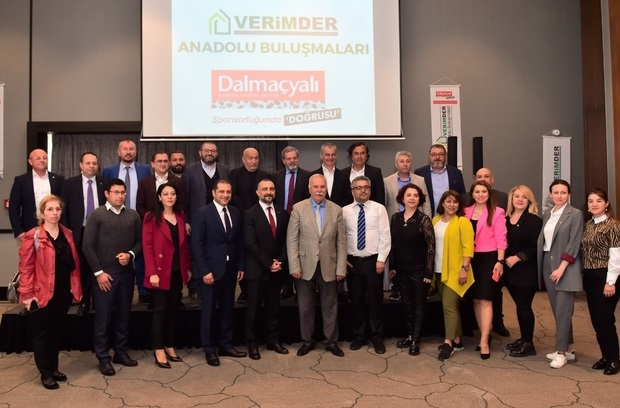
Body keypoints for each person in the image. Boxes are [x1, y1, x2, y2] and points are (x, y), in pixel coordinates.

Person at [18, 195, 82, 390]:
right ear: (42, 213)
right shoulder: (33, 236)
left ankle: (53, 368)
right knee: (42, 334)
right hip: (40, 293)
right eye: (50, 209)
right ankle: (45, 373)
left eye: (57, 209)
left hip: (62, 293)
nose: (55, 213)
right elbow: (26, 268)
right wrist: (27, 294)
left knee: (56, 332)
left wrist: (76, 288)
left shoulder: (67, 233)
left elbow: (74, 265)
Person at [82, 179, 142, 376]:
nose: (120, 196)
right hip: (104, 276)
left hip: (126, 275)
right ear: (107, 194)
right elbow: (87, 246)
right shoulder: (97, 215)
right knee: (103, 318)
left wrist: (130, 255)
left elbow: (140, 242)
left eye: (123, 192)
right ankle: (103, 357)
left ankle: (120, 352)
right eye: (116, 192)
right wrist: (99, 273)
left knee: (124, 315)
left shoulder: (133, 215)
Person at [287, 174, 347, 357]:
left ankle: (331, 342)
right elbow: (292, 239)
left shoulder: (336, 210)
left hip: (329, 266)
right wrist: (294, 266)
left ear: (326, 188)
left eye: (322, 187)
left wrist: (341, 268)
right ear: (309, 189)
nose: (319, 190)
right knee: (306, 308)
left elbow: (341, 242)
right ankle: (307, 341)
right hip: (304, 266)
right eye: (316, 187)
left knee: (330, 307)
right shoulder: (298, 208)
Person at [191, 179, 247, 367]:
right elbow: (197, 245)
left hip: (230, 271)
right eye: (221, 191)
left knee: (227, 310)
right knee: (208, 312)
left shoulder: (236, 212)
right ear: (213, 193)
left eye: (228, 192)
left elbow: (238, 242)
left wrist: (240, 265)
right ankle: (209, 349)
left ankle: (225, 344)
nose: (225, 195)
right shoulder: (202, 213)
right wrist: (204, 270)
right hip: (210, 272)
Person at [143, 183, 190, 369]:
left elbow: (184, 246)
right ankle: (158, 349)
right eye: (165, 194)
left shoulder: (180, 215)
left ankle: (169, 345)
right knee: (160, 310)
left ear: (176, 197)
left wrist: (187, 267)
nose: (169, 197)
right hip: (160, 271)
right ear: (159, 197)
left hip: (177, 270)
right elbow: (147, 246)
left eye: (172, 194)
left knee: (172, 310)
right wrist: (152, 272)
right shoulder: (151, 217)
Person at [537, 179, 583, 369]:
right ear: (550, 194)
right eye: (556, 192)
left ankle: (561, 352)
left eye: (563, 192)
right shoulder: (547, 214)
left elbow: (574, 243)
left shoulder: (575, 214)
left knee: (564, 310)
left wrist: (561, 268)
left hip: (565, 267)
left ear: (569, 194)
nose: (559, 195)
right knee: (558, 310)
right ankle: (569, 349)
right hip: (549, 264)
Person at [343, 176, 391, 354]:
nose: (362, 190)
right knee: (356, 300)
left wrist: (381, 259)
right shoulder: (344, 211)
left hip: (373, 262)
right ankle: (359, 336)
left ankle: (377, 337)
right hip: (352, 263)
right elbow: (341, 237)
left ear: (370, 190)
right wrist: (342, 259)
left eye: (366, 187)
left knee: (375, 301)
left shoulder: (379, 209)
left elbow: (385, 235)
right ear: (352, 191)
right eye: (358, 188)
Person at [243, 179, 289, 359]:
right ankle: (252, 344)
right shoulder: (249, 214)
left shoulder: (282, 213)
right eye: (264, 189)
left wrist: (280, 261)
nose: (268, 192)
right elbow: (250, 243)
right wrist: (268, 263)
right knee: (253, 310)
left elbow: (287, 240)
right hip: (256, 270)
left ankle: (273, 340)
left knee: (273, 308)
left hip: (277, 269)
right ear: (257, 192)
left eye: (271, 189)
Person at [462, 167, 509, 336]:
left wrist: (500, 261)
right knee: (475, 299)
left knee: (486, 299)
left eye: (484, 191)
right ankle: (484, 334)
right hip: (470, 260)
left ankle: (484, 341)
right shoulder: (465, 212)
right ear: (472, 194)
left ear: (489, 193)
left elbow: (501, 239)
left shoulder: (497, 212)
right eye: (477, 192)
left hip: (489, 260)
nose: (480, 194)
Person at [184, 142, 231, 308]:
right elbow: (185, 198)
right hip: (197, 219)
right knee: (196, 252)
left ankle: (218, 288)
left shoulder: (225, 170)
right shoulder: (190, 171)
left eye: (213, 151)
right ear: (200, 153)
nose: (209, 153)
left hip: (218, 220)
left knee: (216, 252)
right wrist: (186, 220)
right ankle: (195, 290)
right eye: (206, 150)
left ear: (217, 153)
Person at [389, 183, 434, 356]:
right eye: (409, 195)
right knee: (406, 304)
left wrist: (428, 271)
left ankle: (416, 339)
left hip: (419, 271)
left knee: (418, 305)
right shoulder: (395, 218)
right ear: (402, 198)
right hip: (401, 270)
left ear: (420, 199)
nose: (412, 198)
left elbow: (431, 247)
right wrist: (392, 267)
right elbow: (393, 245)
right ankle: (409, 335)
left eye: (415, 195)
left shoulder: (423, 220)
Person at [60, 152, 106, 317]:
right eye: (88, 163)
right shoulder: (69, 184)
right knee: (84, 268)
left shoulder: (104, 183)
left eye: (94, 163)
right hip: (79, 232)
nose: (92, 166)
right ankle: (85, 301)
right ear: (81, 165)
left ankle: (101, 302)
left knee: (100, 267)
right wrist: (67, 233)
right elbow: (63, 211)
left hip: (101, 232)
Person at [581, 188, 620, 375]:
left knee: (605, 319)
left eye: (599, 200)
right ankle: (605, 355)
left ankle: (614, 359)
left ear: (606, 204)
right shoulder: (588, 224)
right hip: (590, 276)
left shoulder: (613, 225)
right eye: (591, 201)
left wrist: (610, 281)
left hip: (607, 276)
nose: (594, 204)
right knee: (596, 319)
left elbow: (616, 255)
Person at [384, 150, 431, 300]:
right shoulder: (387, 181)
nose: (405, 164)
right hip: (397, 224)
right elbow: (385, 204)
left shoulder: (420, 180)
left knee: (416, 254)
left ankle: (420, 288)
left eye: (407, 161)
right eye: (402, 161)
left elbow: (426, 204)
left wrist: (427, 223)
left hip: (416, 224)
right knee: (397, 254)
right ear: (396, 164)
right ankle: (397, 287)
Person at [433, 191, 475, 361]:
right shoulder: (435, 220)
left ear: (459, 205)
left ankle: (448, 342)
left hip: (456, 271)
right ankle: (457, 339)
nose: (452, 205)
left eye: (455, 202)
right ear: (442, 203)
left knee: (448, 306)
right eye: (448, 201)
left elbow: (468, 247)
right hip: (438, 270)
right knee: (453, 307)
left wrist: (465, 268)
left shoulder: (463, 222)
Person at [503, 185, 542, 357]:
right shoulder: (505, 219)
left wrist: (518, 257)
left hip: (526, 271)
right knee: (519, 306)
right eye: (517, 196)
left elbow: (536, 247)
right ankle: (523, 338)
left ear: (529, 200)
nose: (520, 199)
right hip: (510, 272)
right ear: (511, 199)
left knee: (524, 306)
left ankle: (528, 344)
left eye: (524, 197)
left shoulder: (534, 221)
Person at [230, 147, 272, 303]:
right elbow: (233, 195)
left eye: (256, 158)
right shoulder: (235, 174)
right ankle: (244, 290)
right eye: (250, 158)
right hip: (241, 219)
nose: (254, 161)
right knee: (244, 253)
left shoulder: (265, 175)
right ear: (243, 159)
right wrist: (247, 212)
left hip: (261, 220)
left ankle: (262, 289)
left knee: (260, 251)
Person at [272, 146, 311, 299]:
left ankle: (298, 289)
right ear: (283, 161)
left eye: (294, 158)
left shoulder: (307, 176)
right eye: (289, 158)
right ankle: (286, 287)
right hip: (280, 220)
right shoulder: (275, 176)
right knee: (283, 253)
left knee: (299, 253)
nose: (292, 161)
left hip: (301, 220)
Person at [9, 149, 65, 243]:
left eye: (44, 158)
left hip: (53, 226)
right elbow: (13, 208)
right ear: (30, 161)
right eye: (38, 158)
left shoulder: (58, 179)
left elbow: (63, 205)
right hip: (29, 228)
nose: (42, 160)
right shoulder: (21, 180)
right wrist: (18, 231)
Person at [414, 144, 465, 215]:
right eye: (434, 154)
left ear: (445, 156)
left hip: (451, 216)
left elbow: (462, 196)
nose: (437, 157)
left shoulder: (456, 173)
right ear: (429, 156)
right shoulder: (420, 173)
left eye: (441, 154)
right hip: (428, 216)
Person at [101, 140, 151, 211]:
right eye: (125, 149)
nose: (128, 152)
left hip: (139, 213)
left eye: (131, 149)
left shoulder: (145, 170)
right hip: (114, 213)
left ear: (135, 152)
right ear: (119, 152)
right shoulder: (109, 171)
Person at [136, 151, 186, 220]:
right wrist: (149, 219)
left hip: (172, 221)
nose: (163, 164)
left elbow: (182, 203)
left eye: (165, 161)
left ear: (169, 163)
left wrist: (173, 218)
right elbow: (140, 205)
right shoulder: (145, 182)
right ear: (153, 164)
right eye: (159, 161)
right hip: (150, 221)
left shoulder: (178, 181)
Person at [311, 143, 351, 208]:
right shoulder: (312, 176)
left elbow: (348, 199)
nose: (330, 157)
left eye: (333, 155)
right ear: (321, 156)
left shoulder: (344, 176)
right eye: (327, 155)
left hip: (339, 213)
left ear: (336, 156)